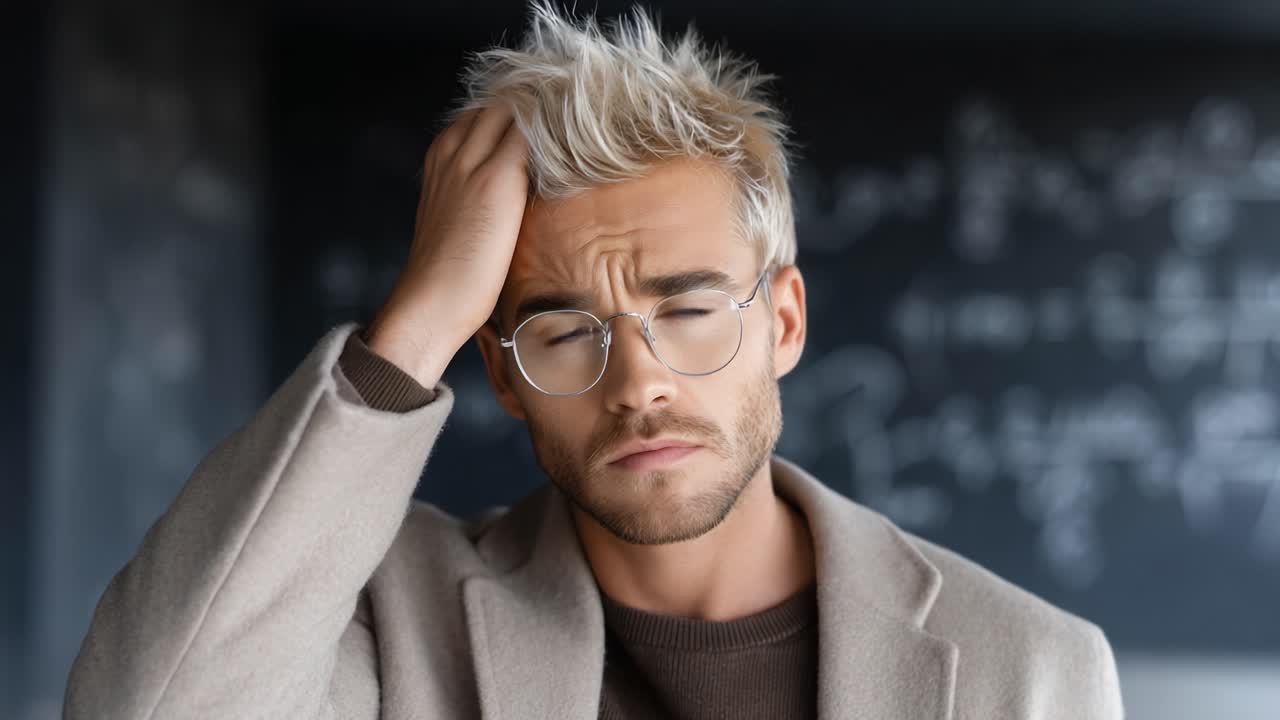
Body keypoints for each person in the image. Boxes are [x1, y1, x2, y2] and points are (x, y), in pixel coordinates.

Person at [64, 2, 1125, 718]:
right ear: (502, 375)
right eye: (565, 331)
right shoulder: (387, 621)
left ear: (784, 322)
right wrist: (421, 318)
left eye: (690, 308)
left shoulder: (1028, 671)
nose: (638, 384)